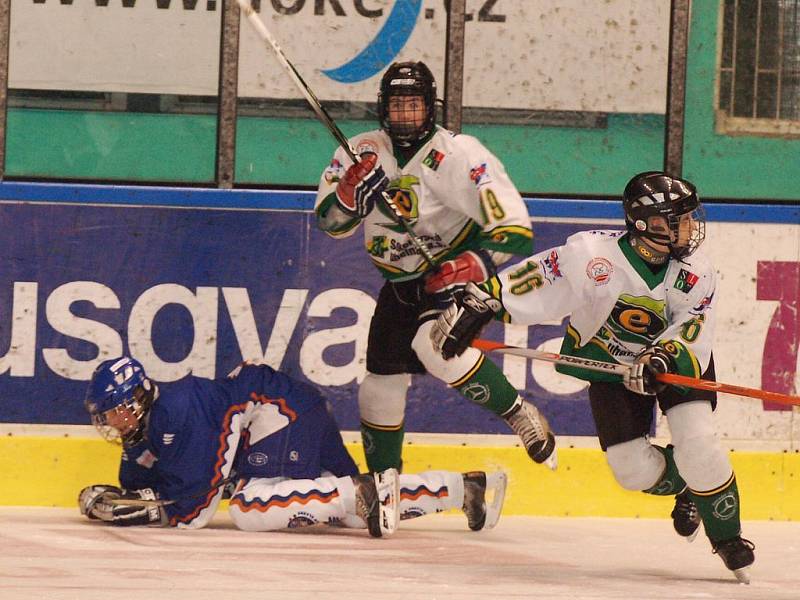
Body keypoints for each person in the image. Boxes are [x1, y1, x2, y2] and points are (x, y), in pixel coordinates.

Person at [430, 172, 756, 583]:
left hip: (674, 364)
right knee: (632, 471)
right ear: (646, 224)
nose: (690, 228)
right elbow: (540, 278)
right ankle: (689, 488)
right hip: (611, 367)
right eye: (678, 219)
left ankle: (728, 536)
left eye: (690, 217)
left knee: (699, 445)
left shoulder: (697, 271)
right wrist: (486, 298)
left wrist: (661, 361)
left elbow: (693, 328)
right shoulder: (590, 255)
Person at [314, 60, 556, 475]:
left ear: (431, 106)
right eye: (396, 105)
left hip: (445, 273)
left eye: (414, 104)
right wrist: (351, 194)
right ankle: (383, 481)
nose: (405, 115)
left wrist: (470, 264)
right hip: (399, 283)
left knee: (435, 346)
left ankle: (518, 412)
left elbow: (514, 227)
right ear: (382, 108)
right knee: (378, 385)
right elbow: (330, 224)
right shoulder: (359, 152)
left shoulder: (460, 155)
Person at [77, 356, 507, 536]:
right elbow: (142, 481)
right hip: (287, 412)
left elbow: (194, 509)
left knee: (248, 508)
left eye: (116, 410)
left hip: (280, 413)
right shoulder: (148, 430)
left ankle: (360, 492)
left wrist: (144, 509)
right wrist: (118, 497)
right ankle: (463, 488)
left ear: (137, 399)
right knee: (356, 515)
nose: (112, 421)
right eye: (107, 415)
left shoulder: (176, 411)